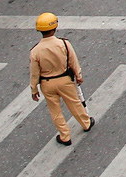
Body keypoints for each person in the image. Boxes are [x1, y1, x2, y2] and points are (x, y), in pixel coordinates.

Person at [29, 12, 91, 146]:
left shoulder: (35, 51)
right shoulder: (64, 43)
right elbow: (73, 61)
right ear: (55, 27)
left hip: (47, 83)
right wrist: (78, 76)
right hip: (64, 80)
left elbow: (34, 73)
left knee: (55, 110)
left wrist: (34, 89)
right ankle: (86, 123)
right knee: (74, 103)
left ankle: (65, 136)